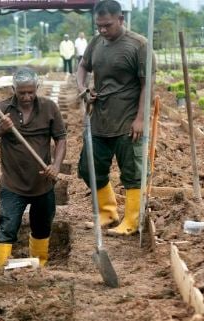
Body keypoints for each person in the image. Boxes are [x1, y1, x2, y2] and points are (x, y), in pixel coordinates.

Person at [77, 0, 153, 236]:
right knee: (88, 168)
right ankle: (108, 212)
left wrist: (140, 119)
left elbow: (147, 85)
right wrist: (83, 89)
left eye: (107, 25)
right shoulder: (96, 42)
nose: (102, 30)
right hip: (99, 119)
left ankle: (131, 220)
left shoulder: (139, 45)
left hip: (128, 122)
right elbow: (82, 67)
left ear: (121, 19)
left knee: (132, 173)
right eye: (98, 25)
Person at [0, 67, 66, 269]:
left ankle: (40, 266)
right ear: (14, 89)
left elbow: (61, 138)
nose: (26, 97)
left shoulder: (49, 107)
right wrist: (0, 129)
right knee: (8, 228)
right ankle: (2, 268)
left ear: (36, 88)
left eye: (30, 92)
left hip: (42, 184)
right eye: (22, 93)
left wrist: (56, 165)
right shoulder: (2, 109)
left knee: (42, 228)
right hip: (12, 184)